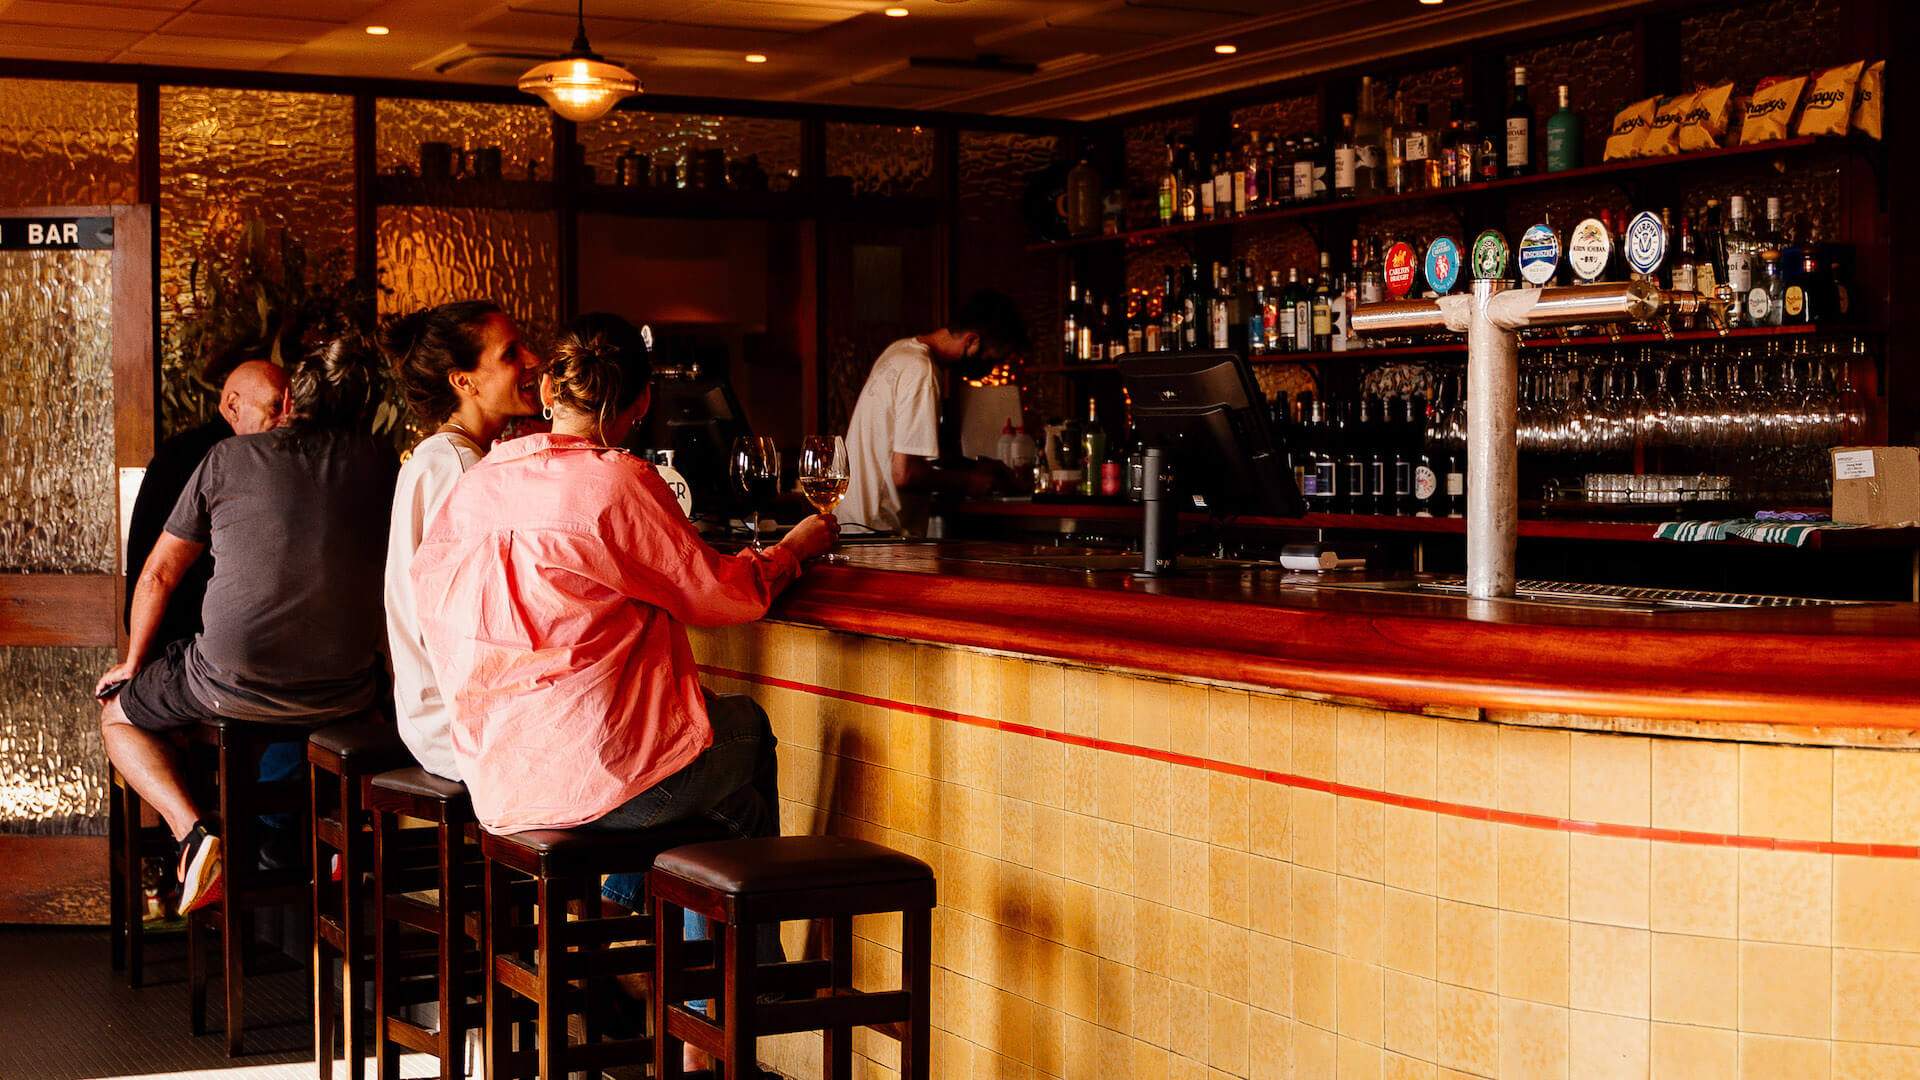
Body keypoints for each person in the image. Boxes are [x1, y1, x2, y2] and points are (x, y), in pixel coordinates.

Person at [412, 315, 834, 844]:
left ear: (547, 387)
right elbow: (723, 599)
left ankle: (633, 911)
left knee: (728, 803)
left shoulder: (476, 484)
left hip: (496, 777)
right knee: (744, 726)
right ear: (645, 401)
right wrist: (791, 551)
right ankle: (690, 912)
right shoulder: (620, 481)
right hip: (597, 778)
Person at [96, 334, 401, 912]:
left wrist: (133, 664)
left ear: (291, 403)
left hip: (231, 684)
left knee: (118, 714)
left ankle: (195, 835)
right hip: (346, 694)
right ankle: (321, 847)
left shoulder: (224, 460)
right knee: (304, 729)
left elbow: (158, 573)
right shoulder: (377, 459)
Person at [382, 301, 543, 782]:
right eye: (511, 353)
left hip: (440, 715)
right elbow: (483, 628)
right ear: (464, 381)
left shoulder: (444, 457)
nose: (533, 361)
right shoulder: (458, 469)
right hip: (463, 729)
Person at [123, 357, 291, 648]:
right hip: (188, 645)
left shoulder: (186, 451)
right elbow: (159, 575)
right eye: (275, 407)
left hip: (180, 639)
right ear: (233, 405)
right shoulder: (218, 460)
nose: (285, 421)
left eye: (291, 410)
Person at [840, 289, 1030, 534]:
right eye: (992, 360)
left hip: (853, 526)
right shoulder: (922, 371)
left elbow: (899, 453)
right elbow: (905, 473)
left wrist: (973, 467)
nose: (989, 371)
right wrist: (970, 482)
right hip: (879, 535)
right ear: (972, 341)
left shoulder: (900, 352)